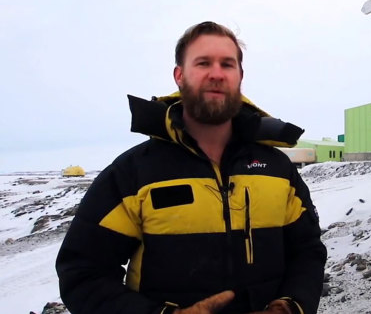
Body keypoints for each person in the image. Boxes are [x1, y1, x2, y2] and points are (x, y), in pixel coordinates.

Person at [56, 21, 327, 314]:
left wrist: (291, 307)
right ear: (179, 75)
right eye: (203, 63)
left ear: (240, 76)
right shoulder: (133, 173)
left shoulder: (276, 169)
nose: (216, 74)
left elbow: (307, 251)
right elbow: (83, 272)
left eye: (227, 64)